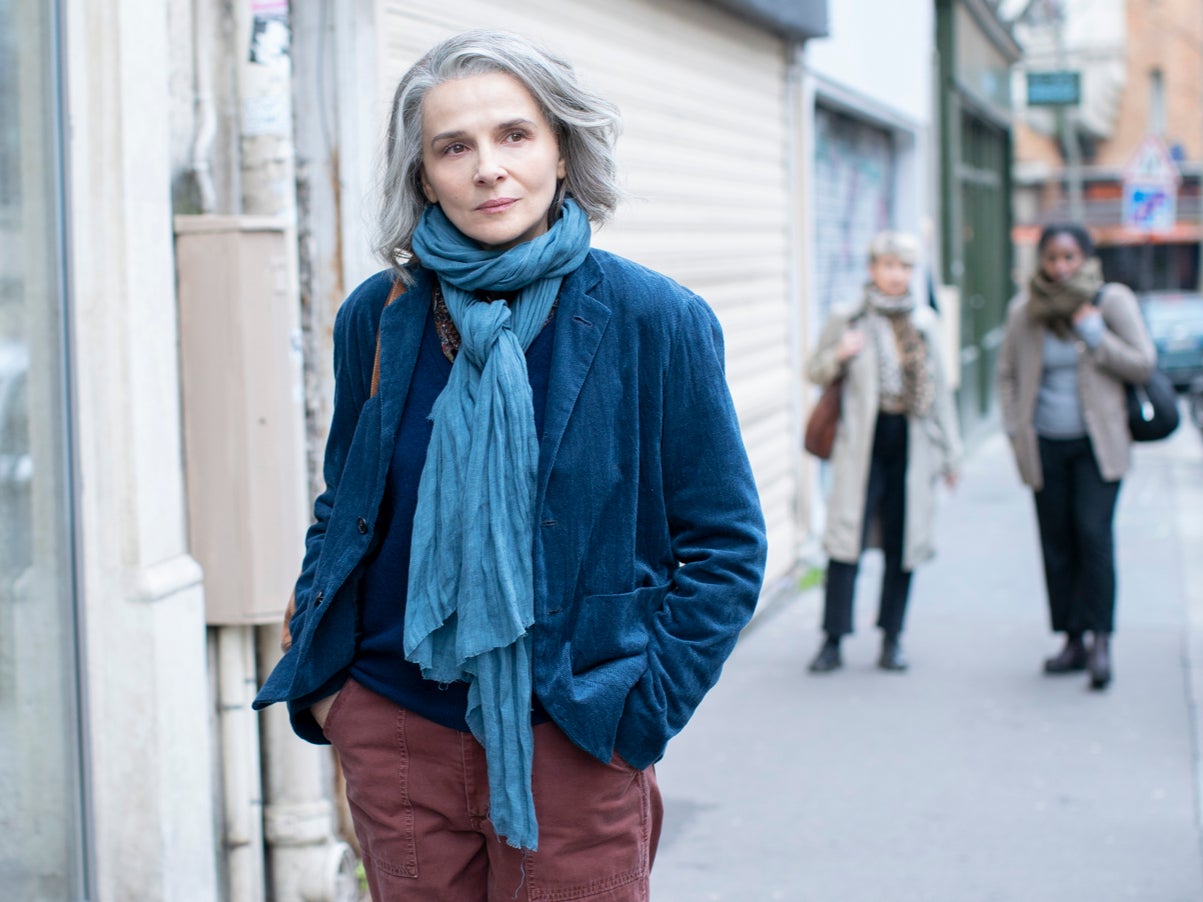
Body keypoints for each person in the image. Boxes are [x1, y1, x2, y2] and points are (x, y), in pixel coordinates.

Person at [252, 29, 767, 901]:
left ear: (561, 150)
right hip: (398, 734)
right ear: (422, 176)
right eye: (454, 147)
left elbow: (724, 547)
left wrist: (633, 719)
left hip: (571, 736)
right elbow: (347, 504)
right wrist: (336, 692)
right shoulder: (380, 317)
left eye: (514, 135)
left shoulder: (652, 319)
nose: (488, 167)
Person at [997, 222, 1154, 690]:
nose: (1060, 267)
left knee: (1093, 535)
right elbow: (1006, 374)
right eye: (1051, 258)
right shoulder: (1025, 310)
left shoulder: (1112, 302)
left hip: (1098, 446)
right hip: (1045, 444)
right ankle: (1071, 639)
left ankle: (1101, 639)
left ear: (1086, 259)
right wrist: (1013, 428)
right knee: (1057, 544)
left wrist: (1095, 334)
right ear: (1040, 262)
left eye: (1069, 257)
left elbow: (1144, 362)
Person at [805, 231, 961, 674]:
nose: (897, 275)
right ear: (873, 269)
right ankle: (832, 639)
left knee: (902, 542)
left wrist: (951, 456)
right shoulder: (849, 317)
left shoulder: (926, 323)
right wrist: (839, 352)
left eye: (905, 267)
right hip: (861, 446)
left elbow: (942, 396)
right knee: (844, 541)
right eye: (889, 266)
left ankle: (892, 638)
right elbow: (813, 370)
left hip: (910, 444)